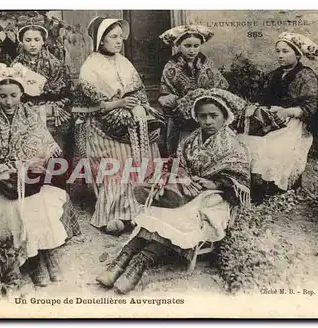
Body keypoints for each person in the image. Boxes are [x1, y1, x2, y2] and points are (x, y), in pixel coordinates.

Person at [96, 88, 251, 294]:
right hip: (183, 190)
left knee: (176, 216)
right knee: (158, 210)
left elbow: (240, 178)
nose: (208, 121)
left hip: (213, 199)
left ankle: (138, 266)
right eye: (203, 116)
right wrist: (182, 177)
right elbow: (175, 164)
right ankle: (120, 262)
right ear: (196, 118)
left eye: (214, 116)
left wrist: (215, 184)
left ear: (225, 117)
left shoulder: (233, 146)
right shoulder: (190, 140)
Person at [0, 63, 68, 287]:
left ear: (22, 93)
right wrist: (1, 170)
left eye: (13, 95)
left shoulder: (30, 116)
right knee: (15, 207)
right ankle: (33, 259)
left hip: (27, 178)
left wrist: (25, 166)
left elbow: (42, 151)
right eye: (2, 96)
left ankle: (44, 250)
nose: (8, 102)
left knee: (37, 202)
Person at [73, 16, 164, 236]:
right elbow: (91, 105)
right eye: (113, 37)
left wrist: (138, 105)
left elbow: (139, 91)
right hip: (99, 124)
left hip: (128, 120)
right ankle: (114, 213)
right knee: (119, 158)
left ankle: (140, 208)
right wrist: (119, 103)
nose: (119, 42)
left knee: (148, 146)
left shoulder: (125, 62)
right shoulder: (91, 66)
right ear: (100, 40)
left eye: (120, 37)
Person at [12, 19, 80, 239]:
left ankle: (59, 204)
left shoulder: (53, 62)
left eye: (37, 40)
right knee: (31, 154)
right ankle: (33, 205)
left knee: (55, 153)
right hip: (25, 110)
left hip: (52, 109)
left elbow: (63, 93)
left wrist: (47, 98)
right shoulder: (16, 65)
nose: (33, 44)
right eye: (28, 40)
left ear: (44, 41)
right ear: (21, 42)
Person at [237, 32, 318, 202]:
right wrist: (256, 107)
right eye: (278, 51)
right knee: (247, 142)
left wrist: (287, 112)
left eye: (285, 51)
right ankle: (257, 185)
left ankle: (278, 186)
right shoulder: (273, 75)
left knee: (274, 148)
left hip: (294, 123)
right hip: (270, 122)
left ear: (297, 54)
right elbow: (262, 97)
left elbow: (311, 107)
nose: (280, 55)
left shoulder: (306, 76)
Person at [158, 25, 229, 155]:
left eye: (196, 46)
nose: (192, 50)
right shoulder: (171, 67)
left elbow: (220, 86)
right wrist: (171, 99)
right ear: (178, 45)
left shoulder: (207, 63)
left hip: (206, 112)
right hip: (182, 116)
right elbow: (166, 91)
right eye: (187, 46)